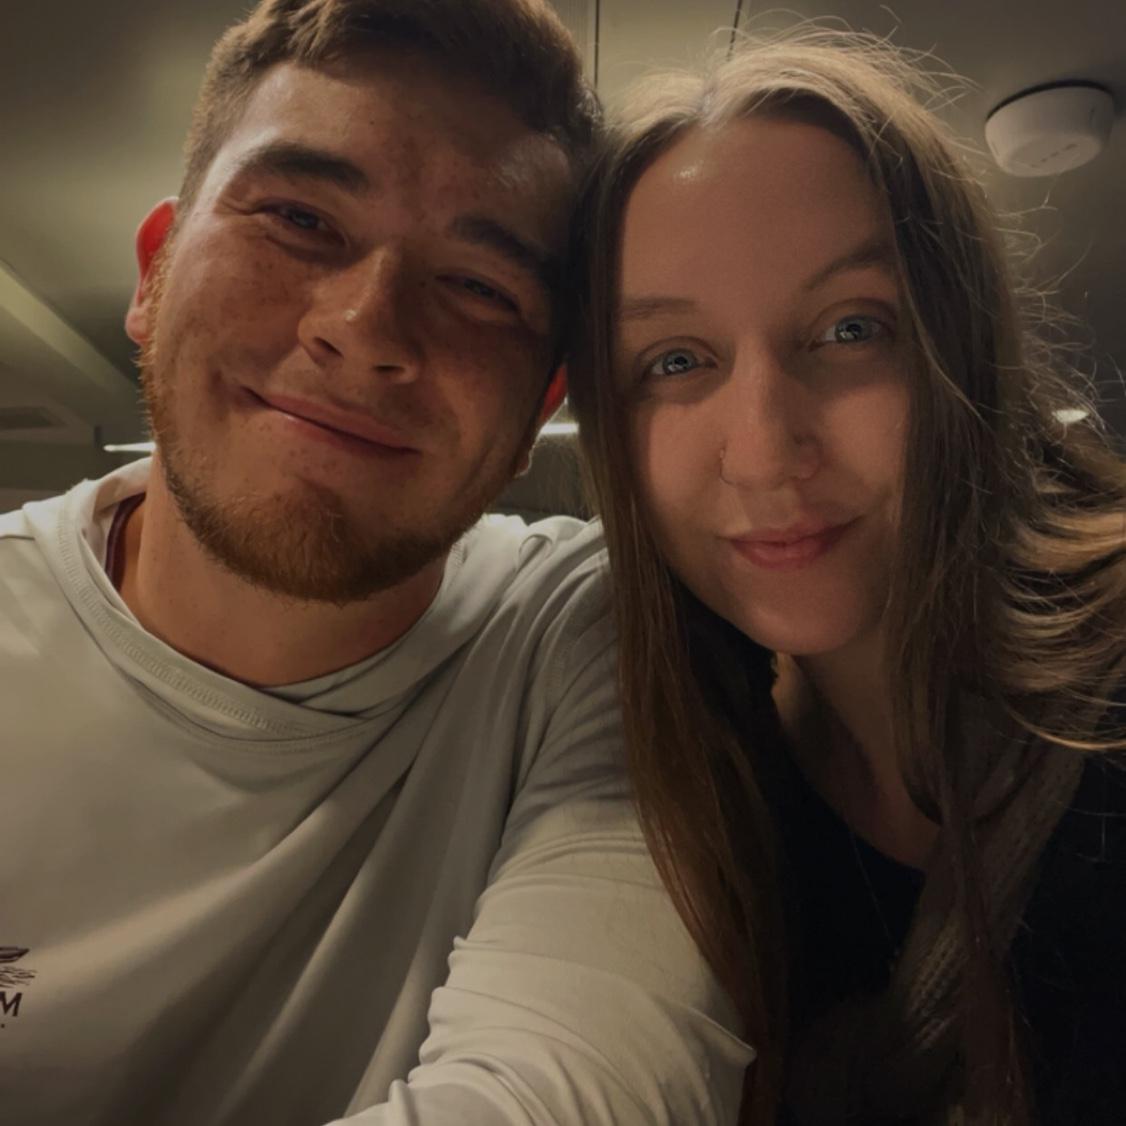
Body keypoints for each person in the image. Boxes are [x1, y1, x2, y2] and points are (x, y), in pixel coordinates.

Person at [0, 2, 754, 1123]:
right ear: (154, 275)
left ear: (539, 407)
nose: (367, 328)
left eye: (481, 287)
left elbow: (577, 1090)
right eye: (299, 219)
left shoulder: (591, 632)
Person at [567, 29, 1126, 1126]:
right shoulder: (693, 777)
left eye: (850, 329)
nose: (764, 450)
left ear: (958, 348)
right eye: (675, 361)